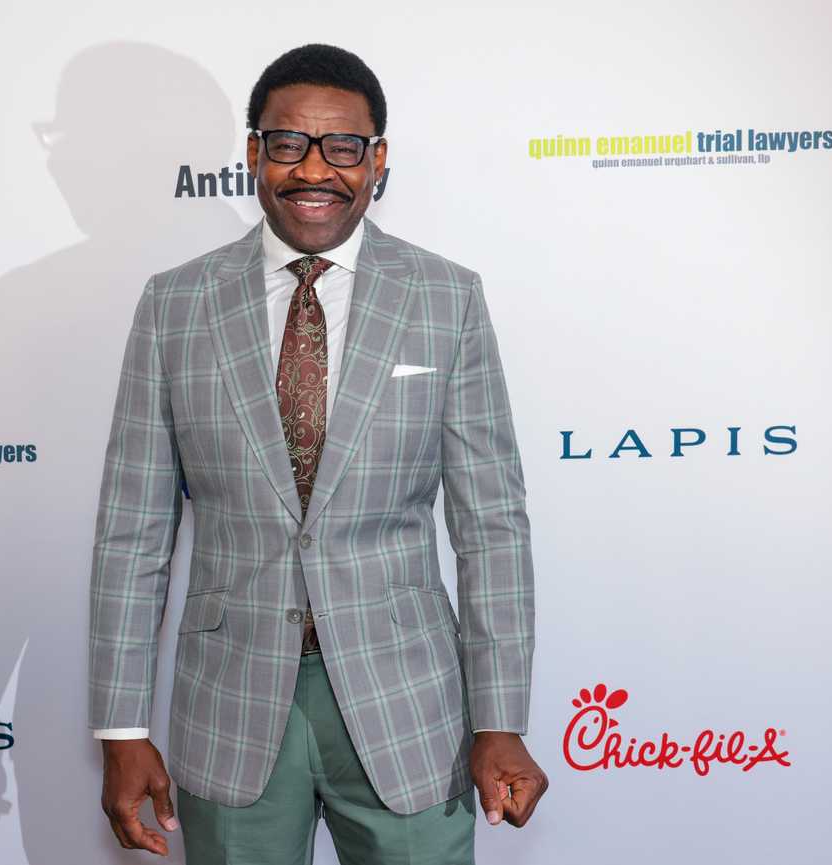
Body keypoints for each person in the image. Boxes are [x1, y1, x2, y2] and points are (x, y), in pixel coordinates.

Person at [89, 43, 547, 864]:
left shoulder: (447, 298)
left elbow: (493, 527)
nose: (315, 170)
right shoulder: (175, 305)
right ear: (255, 153)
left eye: (342, 147)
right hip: (230, 703)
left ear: (377, 161)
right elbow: (132, 531)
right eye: (289, 143)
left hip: (408, 706)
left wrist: (499, 718)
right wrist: (122, 726)